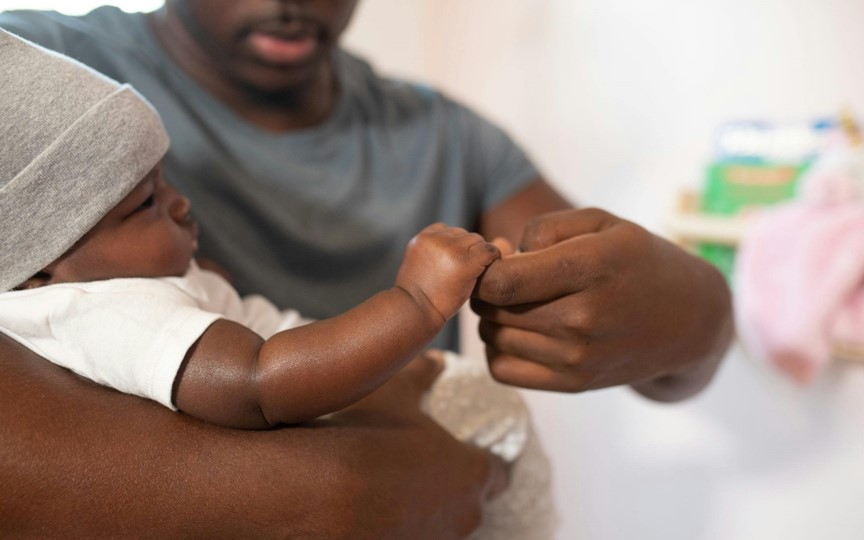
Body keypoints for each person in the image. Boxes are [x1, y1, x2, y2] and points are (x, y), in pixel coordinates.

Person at [0, 0, 734, 535]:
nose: (289, 3)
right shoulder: (38, 93)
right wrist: (282, 492)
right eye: (143, 207)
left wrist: (700, 316)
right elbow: (257, 380)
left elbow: (641, 339)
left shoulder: (452, 138)